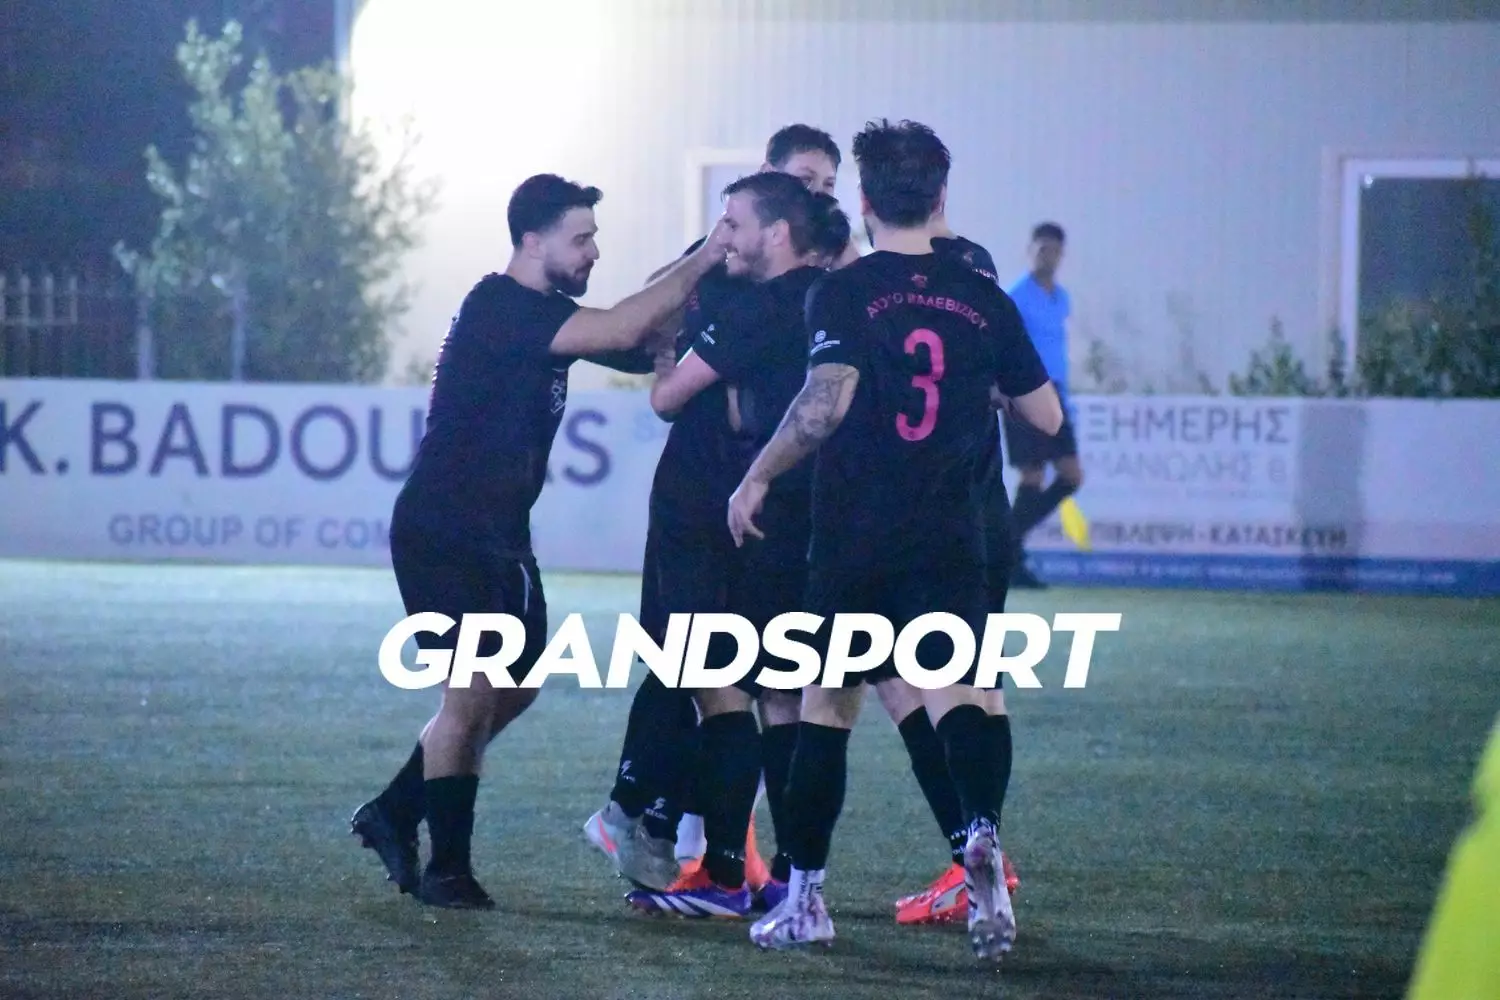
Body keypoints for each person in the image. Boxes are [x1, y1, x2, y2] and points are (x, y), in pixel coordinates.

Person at [726, 119, 1062, 959]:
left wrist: (758, 474)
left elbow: (826, 402)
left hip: (856, 535)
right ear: (941, 195)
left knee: (826, 705)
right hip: (950, 534)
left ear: (865, 202)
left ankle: (806, 901)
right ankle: (980, 841)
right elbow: (1047, 416)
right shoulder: (983, 295)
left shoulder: (843, 291)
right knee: (962, 695)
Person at [349, 173, 731, 910]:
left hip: (502, 535)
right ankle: (448, 871)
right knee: (470, 695)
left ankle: (396, 809)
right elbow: (623, 327)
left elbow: (638, 334)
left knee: (515, 688)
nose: (594, 252)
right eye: (581, 238)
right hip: (447, 529)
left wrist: (709, 292)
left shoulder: (547, 316)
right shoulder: (499, 304)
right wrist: (711, 252)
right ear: (531, 240)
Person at [583, 125, 844, 892]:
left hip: (760, 502)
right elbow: (644, 332)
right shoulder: (744, 278)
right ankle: (710, 852)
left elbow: (671, 389)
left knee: (733, 677)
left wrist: (700, 380)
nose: (817, 193)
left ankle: (691, 843)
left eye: (827, 184)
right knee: (722, 672)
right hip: (717, 499)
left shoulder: (799, 290)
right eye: (805, 179)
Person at [1005, 222, 1082, 589]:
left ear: (1061, 255)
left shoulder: (1061, 298)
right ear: (1030, 251)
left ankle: (1006, 545)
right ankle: (1009, 555)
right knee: (1032, 475)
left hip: (1056, 393)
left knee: (1071, 475)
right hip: (1025, 392)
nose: (1045, 256)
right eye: (1040, 249)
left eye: (1052, 250)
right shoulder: (1016, 296)